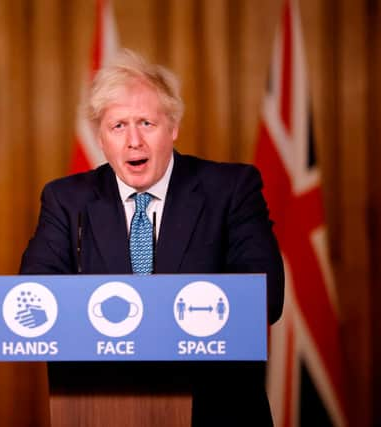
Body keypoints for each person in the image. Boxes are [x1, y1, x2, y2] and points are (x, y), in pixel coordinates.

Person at [20, 49, 284, 426]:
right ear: (100, 137)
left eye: (146, 123)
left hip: (216, 409)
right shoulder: (67, 200)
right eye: (118, 126)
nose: (133, 142)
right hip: (100, 408)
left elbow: (265, 298)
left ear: (173, 127)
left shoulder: (231, 189)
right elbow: (33, 296)